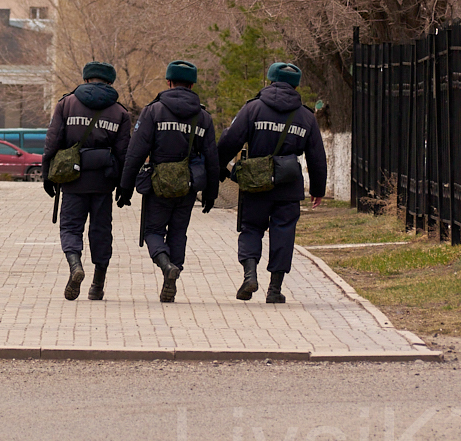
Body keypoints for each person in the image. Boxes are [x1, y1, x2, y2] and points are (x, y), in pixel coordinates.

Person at [216, 62, 327, 303]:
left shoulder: (253, 109)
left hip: (256, 184)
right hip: (288, 186)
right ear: (296, 85)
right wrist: (318, 189)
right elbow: (317, 155)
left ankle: (249, 275)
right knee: (283, 234)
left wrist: (217, 168)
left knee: (251, 228)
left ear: (269, 80)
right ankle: (275, 290)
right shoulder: (306, 116)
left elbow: (230, 139)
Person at [117, 60, 219, 303]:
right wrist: (211, 193)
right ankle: (173, 273)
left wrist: (125, 187)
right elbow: (212, 158)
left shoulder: (153, 111)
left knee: (152, 231)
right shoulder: (203, 117)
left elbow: (135, 153)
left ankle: (164, 265)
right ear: (192, 84)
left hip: (158, 185)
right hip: (187, 186)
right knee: (178, 232)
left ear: (168, 82)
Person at [42, 61, 132, 301]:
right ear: (110, 82)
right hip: (104, 182)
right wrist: (125, 186)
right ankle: (97, 286)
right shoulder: (120, 112)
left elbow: (53, 140)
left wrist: (47, 173)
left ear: (85, 79)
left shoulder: (66, 104)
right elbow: (125, 153)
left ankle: (75, 266)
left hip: (72, 179)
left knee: (71, 227)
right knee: (101, 231)